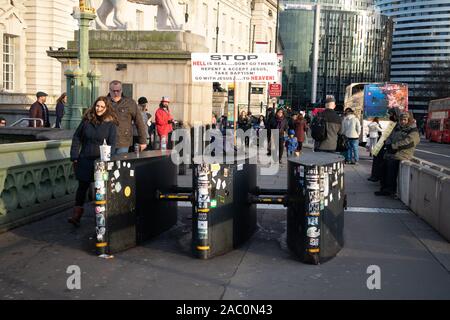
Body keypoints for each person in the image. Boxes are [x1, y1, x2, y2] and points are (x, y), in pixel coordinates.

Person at [68, 96, 118, 227]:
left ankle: (101, 218)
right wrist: (74, 156)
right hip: (85, 158)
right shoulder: (86, 121)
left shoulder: (111, 124)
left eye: (102, 107)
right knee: (82, 188)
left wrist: (108, 159)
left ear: (106, 108)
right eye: (97, 106)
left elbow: (113, 144)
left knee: (100, 190)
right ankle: (76, 215)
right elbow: (77, 137)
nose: (99, 109)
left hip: (100, 162)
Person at [375, 112, 420, 197]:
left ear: (409, 120)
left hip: (403, 154)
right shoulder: (397, 128)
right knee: (382, 166)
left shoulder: (413, 130)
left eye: (405, 120)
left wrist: (393, 146)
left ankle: (390, 189)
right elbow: (389, 137)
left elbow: (409, 142)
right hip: (392, 152)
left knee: (391, 167)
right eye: (401, 119)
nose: (403, 121)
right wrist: (388, 144)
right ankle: (384, 188)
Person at [107, 80, 147, 154]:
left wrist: (143, 141)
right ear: (109, 90)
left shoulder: (130, 103)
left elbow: (139, 122)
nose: (116, 93)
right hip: (107, 141)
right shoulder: (104, 102)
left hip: (124, 141)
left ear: (121, 90)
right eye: (113, 91)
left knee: (121, 163)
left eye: (118, 91)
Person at [368, 107, 401, 182]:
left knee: (380, 157)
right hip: (385, 143)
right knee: (377, 155)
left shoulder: (397, 124)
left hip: (390, 146)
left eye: (391, 114)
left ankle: (377, 176)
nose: (390, 116)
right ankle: (375, 175)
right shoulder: (393, 123)